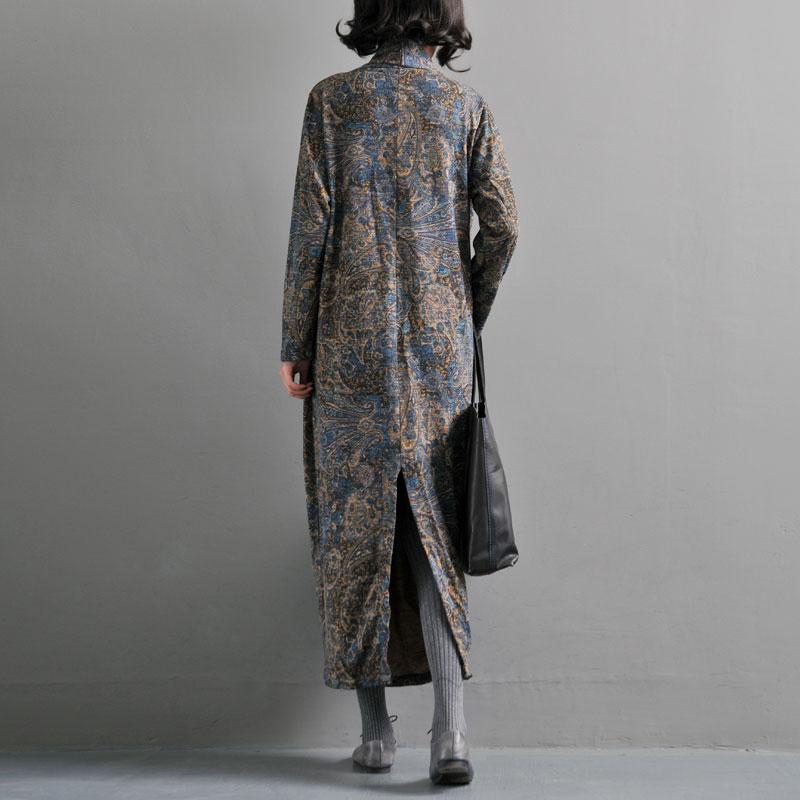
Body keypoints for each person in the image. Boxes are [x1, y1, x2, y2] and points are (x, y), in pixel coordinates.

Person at [278, 0, 518, 785]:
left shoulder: (332, 102)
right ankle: (452, 735)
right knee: (435, 531)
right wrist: (463, 307)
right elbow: (504, 226)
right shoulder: (465, 106)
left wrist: (295, 342)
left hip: (349, 345)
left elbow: (310, 230)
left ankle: (377, 735)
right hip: (438, 350)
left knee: (357, 531)